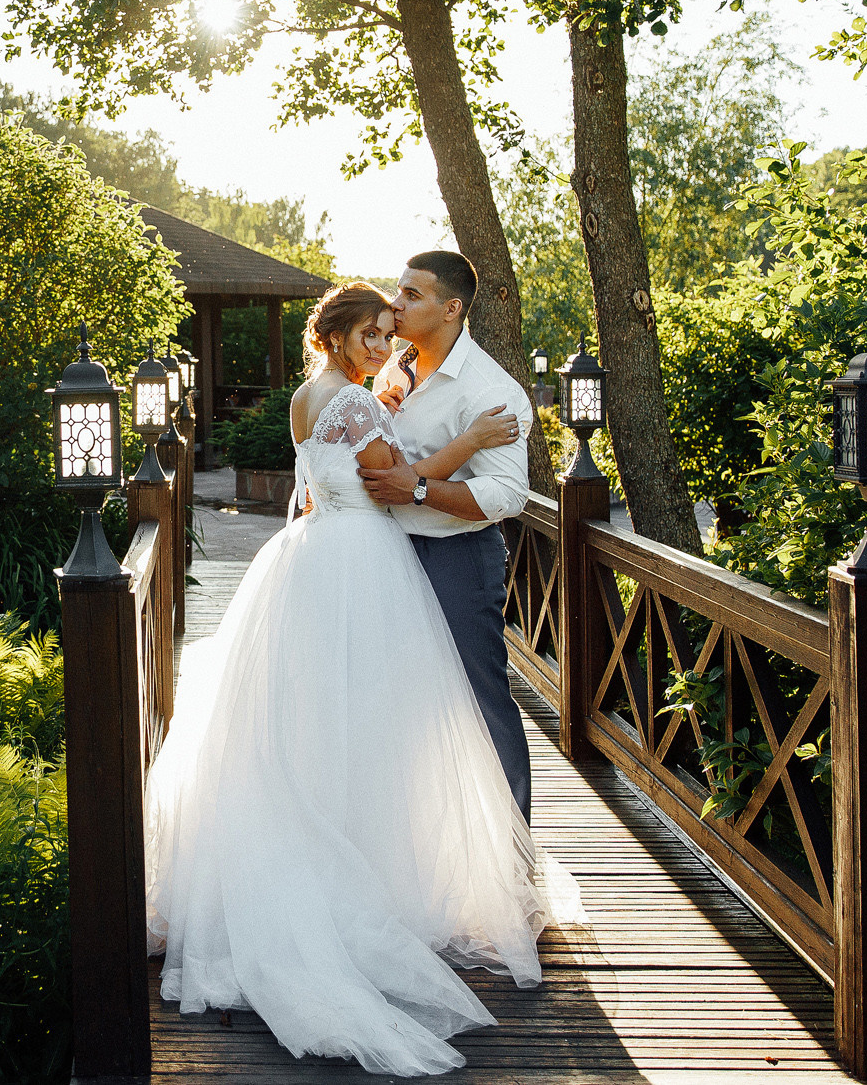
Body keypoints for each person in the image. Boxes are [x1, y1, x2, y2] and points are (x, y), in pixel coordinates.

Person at [144, 281, 580, 1077]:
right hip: (359, 563)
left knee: (322, 718)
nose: (385, 346)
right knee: (375, 716)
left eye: (390, 332)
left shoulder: (309, 398)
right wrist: (473, 436)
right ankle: (361, 876)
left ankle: (347, 847)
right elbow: (395, 478)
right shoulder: (355, 402)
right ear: (340, 335)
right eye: (373, 333)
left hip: (312, 561)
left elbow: (328, 477)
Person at [359, 251, 536, 819]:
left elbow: (504, 497)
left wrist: (416, 491)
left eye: (413, 294)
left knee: (479, 699)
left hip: (455, 557)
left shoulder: (491, 391)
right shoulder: (393, 366)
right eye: (398, 289)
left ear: (452, 308)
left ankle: (514, 854)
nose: (397, 302)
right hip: (384, 552)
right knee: (393, 700)